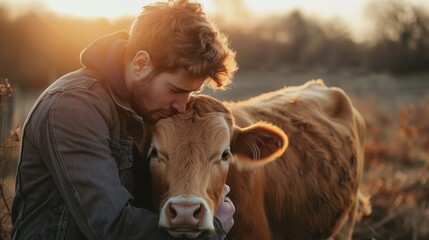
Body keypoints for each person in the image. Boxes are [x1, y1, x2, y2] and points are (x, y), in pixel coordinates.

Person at [11, 0, 238, 239]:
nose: (182, 106)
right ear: (141, 64)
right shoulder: (73, 106)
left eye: (191, 93)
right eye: (175, 89)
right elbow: (110, 226)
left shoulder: (141, 107)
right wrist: (213, 229)